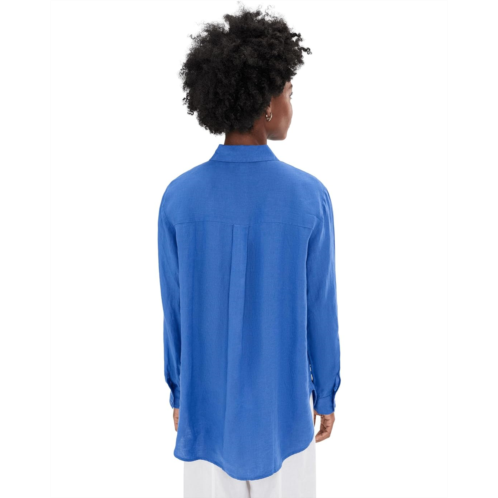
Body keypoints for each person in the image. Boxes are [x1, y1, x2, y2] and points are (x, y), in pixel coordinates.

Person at [158, 6, 341, 498]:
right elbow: (320, 306)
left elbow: (174, 308)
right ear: (266, 103)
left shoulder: (179, 197)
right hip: (286, 413)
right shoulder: (309, 196)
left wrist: (179, 390)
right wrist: (325, 392)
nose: (291, 106)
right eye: (289, 93)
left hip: (205, 412)